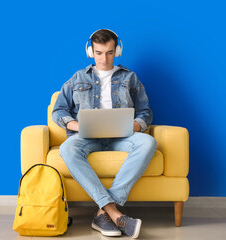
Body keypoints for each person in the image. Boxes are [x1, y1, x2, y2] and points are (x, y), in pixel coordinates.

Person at [52, 29, 157, 238]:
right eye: (99, 53)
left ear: (117, 51)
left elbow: (145, 112)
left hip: (122, 138)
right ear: (90, 51)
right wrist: (77, 126)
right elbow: (59, 110)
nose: (104, 58)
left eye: (109, 52)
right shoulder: (78, 77)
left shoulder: (130, 77)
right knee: (67, 148)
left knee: (148, 143)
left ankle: (103, 213)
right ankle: (113, 212)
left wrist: (133, 126)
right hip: (87, 138)